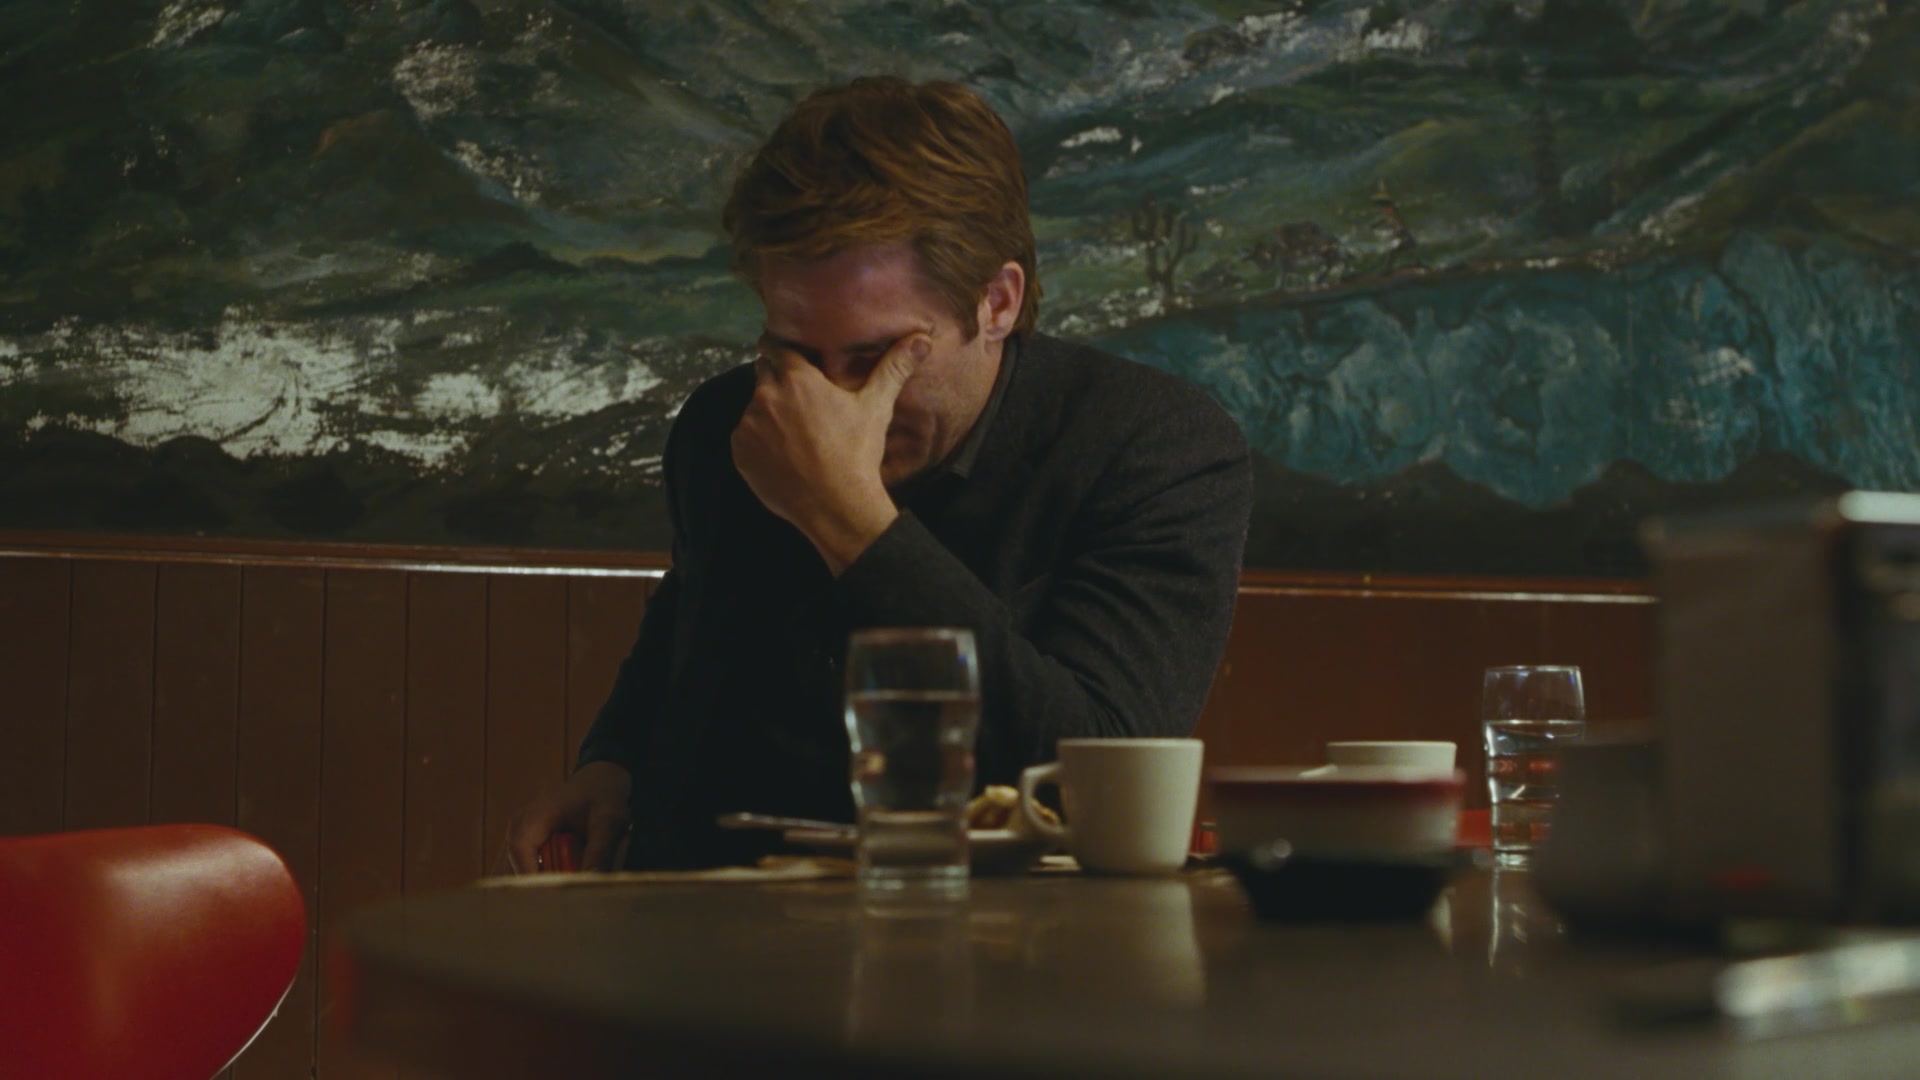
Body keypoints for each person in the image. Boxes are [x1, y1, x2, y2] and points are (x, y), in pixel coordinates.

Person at [507, 76, 1252, 872]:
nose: (831, 399)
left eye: (876, 357)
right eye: (796, 352)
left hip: (1000, 932)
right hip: (706, 918)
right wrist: (613, 762)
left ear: (997, 302)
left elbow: (1097, 781)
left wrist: (852, 521)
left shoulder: (1156, 449)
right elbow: (691, 616)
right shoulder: (733, 422)